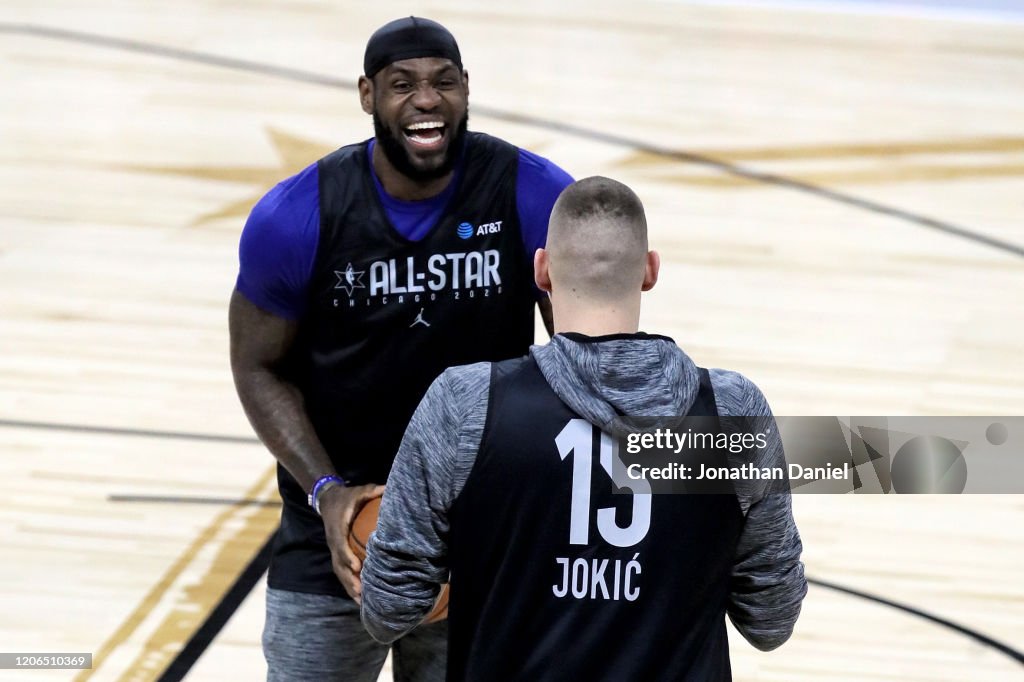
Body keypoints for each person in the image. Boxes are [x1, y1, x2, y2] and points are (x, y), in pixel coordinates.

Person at [228, 15, 573, 681]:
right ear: (367, 95)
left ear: (466, 90)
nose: (426, 98)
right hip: (338, 528)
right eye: (401, 84)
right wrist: (327, 491)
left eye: (444, 81)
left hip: (478, 530)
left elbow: (578, 356)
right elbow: (257, 365)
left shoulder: (532, 194)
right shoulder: (297, 216)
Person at [361, 177, 807, 681]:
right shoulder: (731, 411)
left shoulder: (465, 403)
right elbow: (771, 622)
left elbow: (387, 611)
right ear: (650, 271)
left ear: (542, 270)